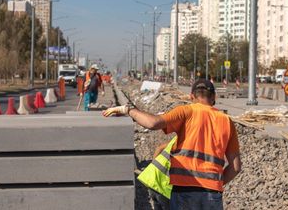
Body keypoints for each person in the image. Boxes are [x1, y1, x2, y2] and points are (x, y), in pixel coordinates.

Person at [103, 79, 242, 210]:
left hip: (184, 190)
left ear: (191, 96)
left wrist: (127, 110)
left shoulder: (187, 111)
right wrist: (214, 184)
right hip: (212, 193)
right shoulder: (227, 121)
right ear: (213, 98)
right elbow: (235, 167)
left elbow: (153, 123)